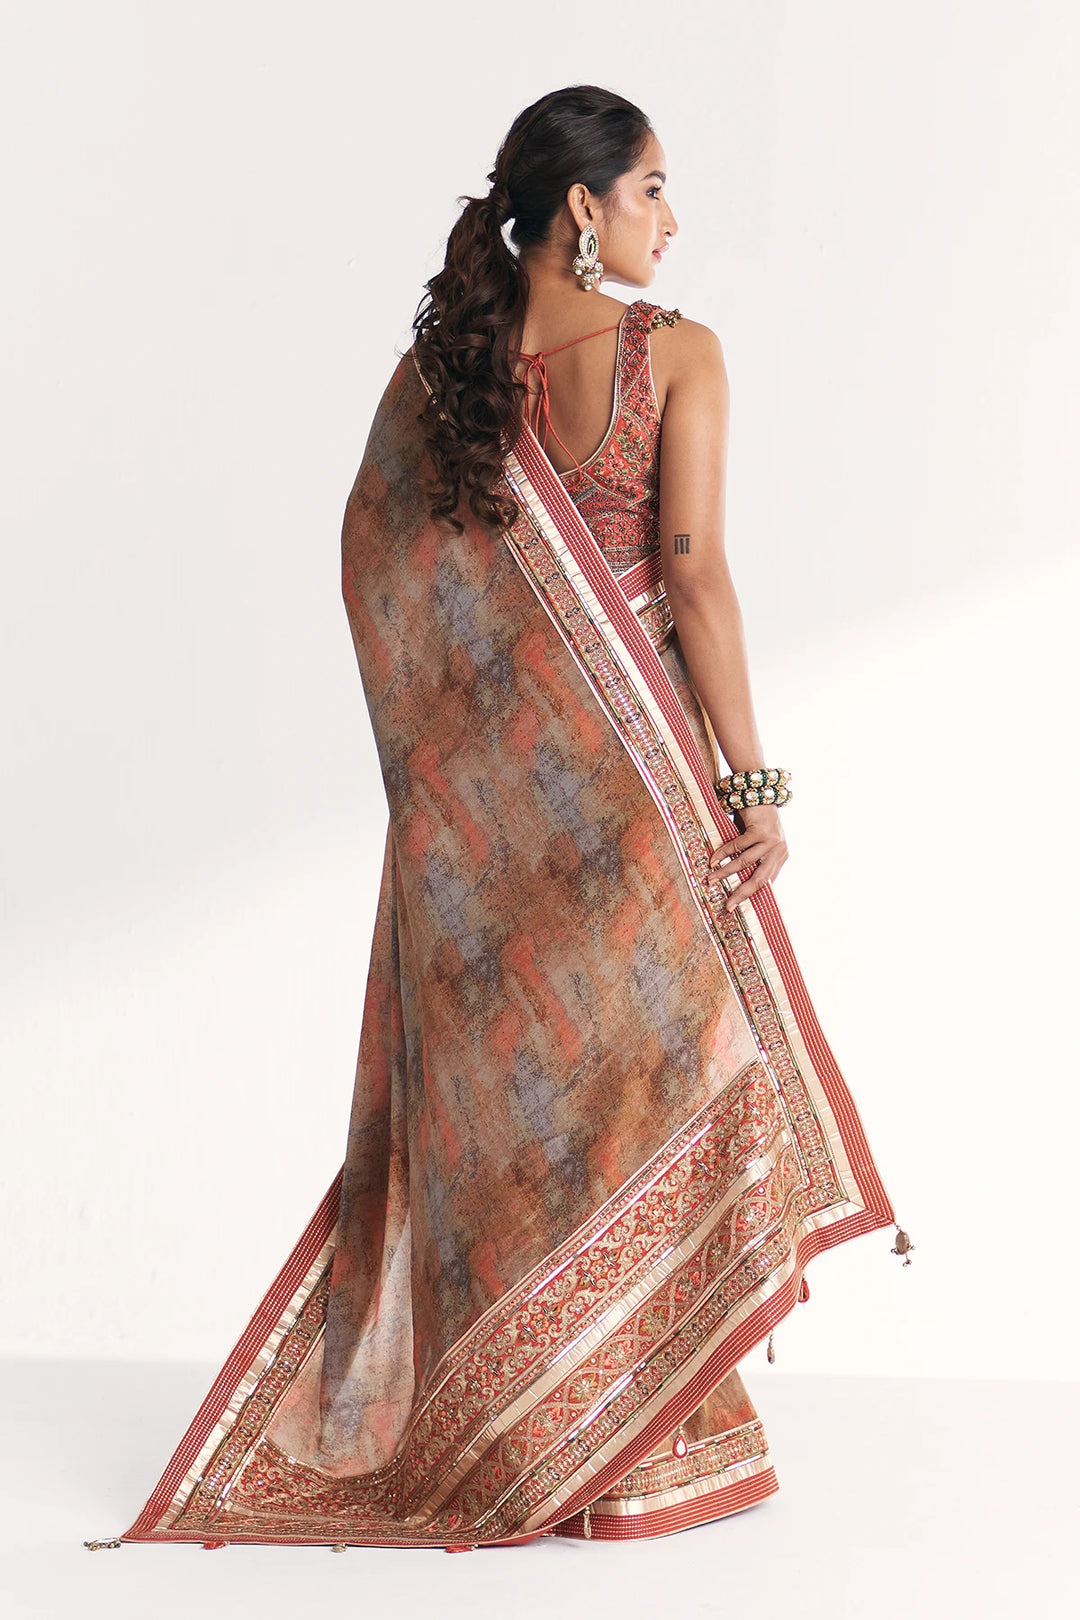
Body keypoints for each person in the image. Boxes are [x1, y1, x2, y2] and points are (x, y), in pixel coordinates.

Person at [107, 84, 907, 1557]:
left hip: (487, 833)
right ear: (585, 205)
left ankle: (547, 1429)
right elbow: (694, 574)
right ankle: (630, 1444)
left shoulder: (441, 376)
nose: (674, 219)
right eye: (654, 188)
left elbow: (377, 571)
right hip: (640, 793)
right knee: (646, 1088)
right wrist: (751, 780)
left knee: (531, 1113)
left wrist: (448, 788)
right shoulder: (677, 355)